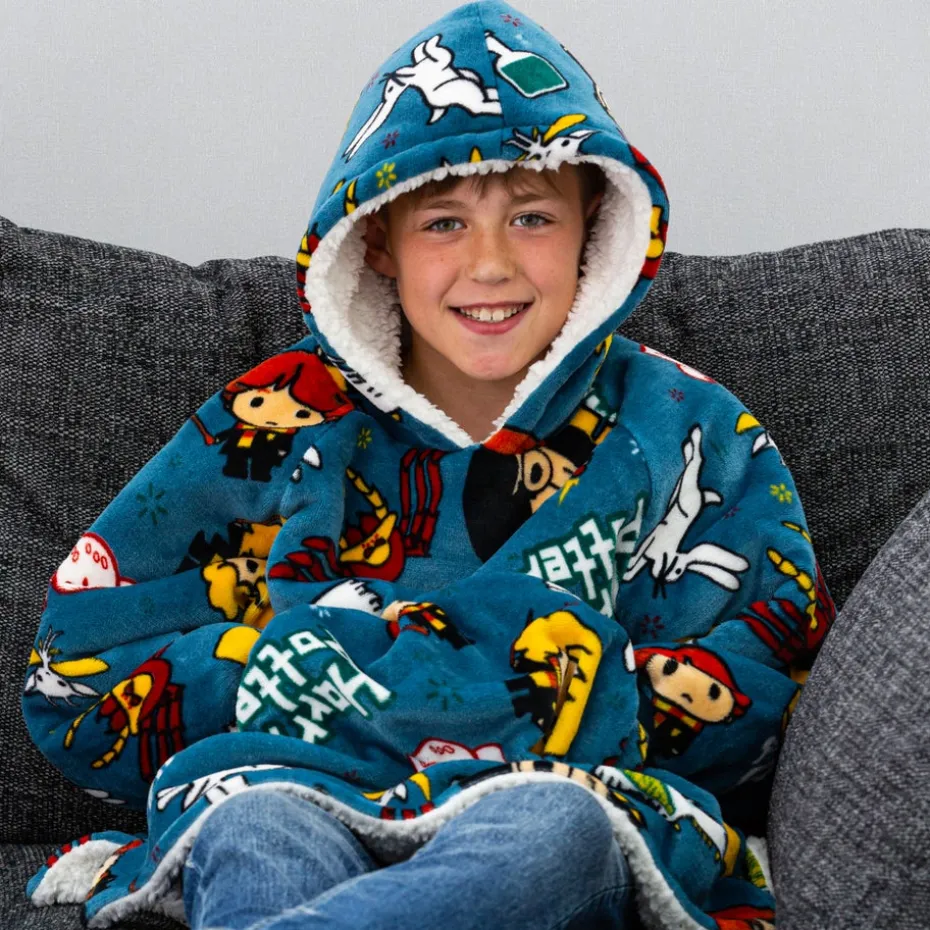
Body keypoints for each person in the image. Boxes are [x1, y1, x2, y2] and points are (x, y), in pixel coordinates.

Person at [22, 2, 835, 928]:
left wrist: (392, 682)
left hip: (557, 788)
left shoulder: (687, 426)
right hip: (293, 776)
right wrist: (291, 677)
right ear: (378, 240)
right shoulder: (281, 417)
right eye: (444, 222)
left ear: (595, 225)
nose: (489, 265)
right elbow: (80, 668)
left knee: (555, 827)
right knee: (252, 829)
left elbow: (767, 688)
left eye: (532, 217)